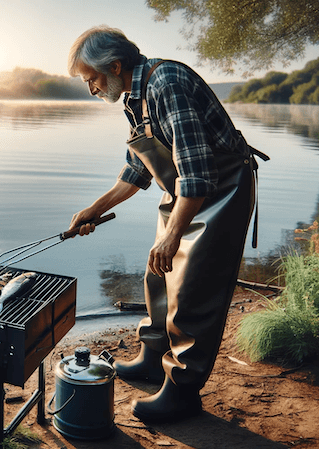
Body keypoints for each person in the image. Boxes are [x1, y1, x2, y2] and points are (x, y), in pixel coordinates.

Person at [66, 25, 267, 423]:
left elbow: (197, 173)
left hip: (220, 190)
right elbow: (137, 171)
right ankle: (151, 358)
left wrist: (173, 233)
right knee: (158, 276)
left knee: (194, 292)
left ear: (115, 65)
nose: (90, 89)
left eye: (91, 79)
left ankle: (181, 391)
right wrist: (93, 208)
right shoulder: (134, 97)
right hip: (184, 190)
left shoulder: (167, 84)